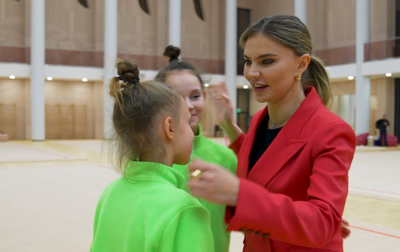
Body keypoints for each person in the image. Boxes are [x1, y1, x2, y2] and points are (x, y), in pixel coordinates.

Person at [187, 15, 356, 252]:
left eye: (267, 62)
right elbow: (268, 162)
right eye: (248, 61)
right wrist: (229, 127)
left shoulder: (332, 131)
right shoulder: (259, 120)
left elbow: (321, 224)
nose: (252, 73)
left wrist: (238, 193)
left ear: (301, 64)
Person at [90, 60, 214, 252]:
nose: (192, 133)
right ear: (170, 128)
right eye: (187, 124)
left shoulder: (109, 193)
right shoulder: (184, 209)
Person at [155, 46, 238, 252]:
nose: (189, 106)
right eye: (177, 98)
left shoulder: (225, 157)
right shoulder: (152, 158)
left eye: (195, 96)